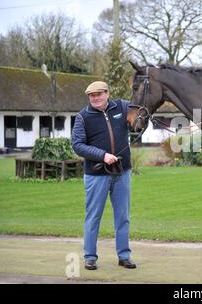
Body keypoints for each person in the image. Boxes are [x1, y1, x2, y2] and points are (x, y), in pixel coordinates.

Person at [72, 81, 136, 270]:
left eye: (99, 94)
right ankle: (90, 257)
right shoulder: (83, 117)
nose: (96, 98)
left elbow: (139, 113)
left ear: (108, 93)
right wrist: (102, 155)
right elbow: (77, 145)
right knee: (93, 217)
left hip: (122, 172)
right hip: (96, 175)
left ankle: (124, 256)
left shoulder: (122, 107)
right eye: (92, 95)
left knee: (123, 217)